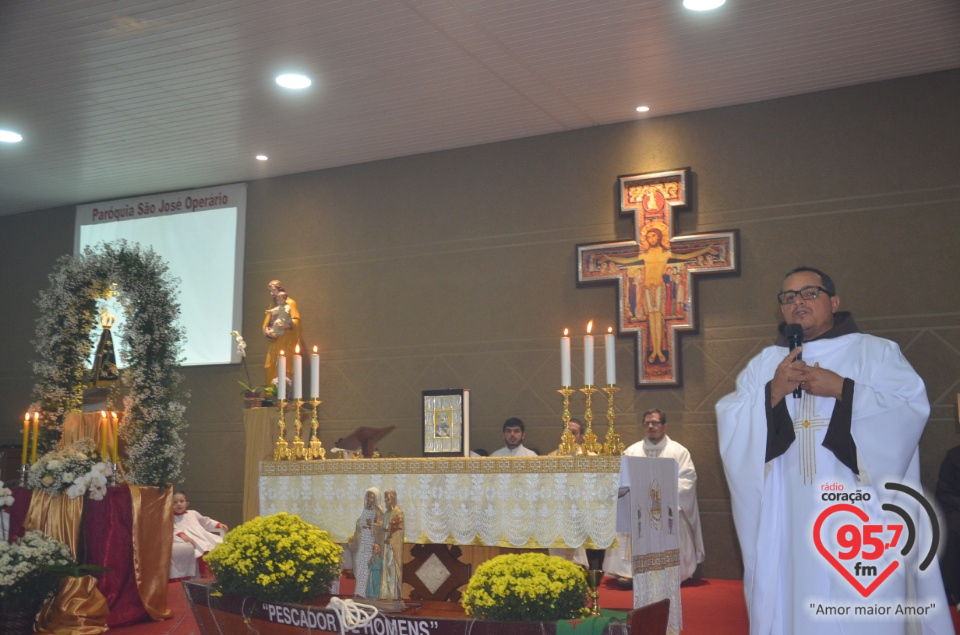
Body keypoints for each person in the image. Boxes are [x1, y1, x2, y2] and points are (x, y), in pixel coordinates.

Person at [715, 266, 952, 634]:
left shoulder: (876, 353)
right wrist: (773, 393)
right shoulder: (764, 365)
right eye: (789, 297)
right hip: (790, 517)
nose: (799, 303)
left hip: (860, 520)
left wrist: (843, 388)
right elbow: (733, 423)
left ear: (834, 301)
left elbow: (908, 410)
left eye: (810, 293)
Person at [603, 408, 705, 582]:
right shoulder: (632, 451)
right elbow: (620, 482)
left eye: (655, 423)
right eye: (647, 423)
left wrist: (660, 494)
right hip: (638, 506)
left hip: (667, 507)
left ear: (664, 426)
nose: (651, 426)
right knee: (629, 518)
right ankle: (630, 574)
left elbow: (687, 480)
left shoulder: (678, 451)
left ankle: (667, 573)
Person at [170, 491, 228, 580]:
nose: (179, 504)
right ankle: (205, 574)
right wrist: (181, 534)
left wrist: (218, 524)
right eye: (175, 502)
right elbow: (171, 528)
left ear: (187, 503)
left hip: (201, 536)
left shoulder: (193, 513)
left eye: (181, 501)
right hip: (187, 539)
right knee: (201, 550)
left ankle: (216, 573)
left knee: (214, 546)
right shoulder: (170, 517)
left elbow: (205, 521)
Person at [262, 279, 302, 386]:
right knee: (270, 366)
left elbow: (296, 321)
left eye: (273, 290)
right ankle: (271, 393)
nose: (271, 293)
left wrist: (287, 325)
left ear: (280, 289)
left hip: (286, 341)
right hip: (274, 341)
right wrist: (267, 331)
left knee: (284, 366)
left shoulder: (290, 303)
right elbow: (267, 322)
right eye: (269, 291)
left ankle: (284, 393)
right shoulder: (273, 304)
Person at [936, 445, 960, 607]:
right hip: (957, 510)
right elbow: (944, 492)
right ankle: (952, 593)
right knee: (952, 532)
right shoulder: (954, 458)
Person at [348, 487, 383, 598]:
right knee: (359, 566)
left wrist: (371, 526)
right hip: (361, 542)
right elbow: (361, 525)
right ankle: (359, 592)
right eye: (369, 496)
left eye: (373, 497)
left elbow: (380, 528)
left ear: (376, 498)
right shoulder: (364, 510)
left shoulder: (378, 512)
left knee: (368, 568)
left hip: (370, 543)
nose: (370, 499)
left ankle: (367, 594)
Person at [380, 489, 404, 600]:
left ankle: (393, 594)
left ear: (393, 499)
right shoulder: (386, 513)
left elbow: (398, 530)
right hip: (385, 543)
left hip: (392, 545)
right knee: (385, 567)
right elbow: (383, 527)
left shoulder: (397, 512)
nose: (385, 501)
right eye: (385, 498)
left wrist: (390, 538)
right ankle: (385, 594)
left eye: (387, 498)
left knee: (391, 567)